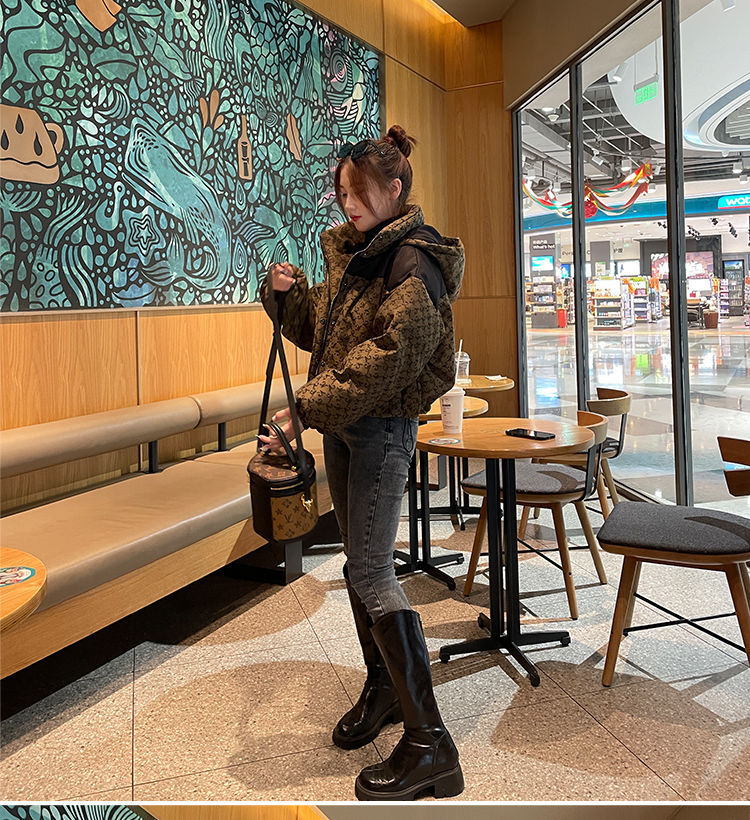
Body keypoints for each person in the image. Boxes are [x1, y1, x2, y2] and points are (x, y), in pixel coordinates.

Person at [259, 125, 465, 801]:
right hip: (347, 426)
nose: (346, 202)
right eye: (342, 191)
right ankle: (384, 688)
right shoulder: (358, 255)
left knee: (373, 571)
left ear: (395, 189)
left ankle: (432, 745)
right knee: (358, 567)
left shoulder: (415, 262)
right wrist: (288, 295)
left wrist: (305, 408)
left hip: (380, 429)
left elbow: (389, 356)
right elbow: (322, 332)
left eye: (358, 191)